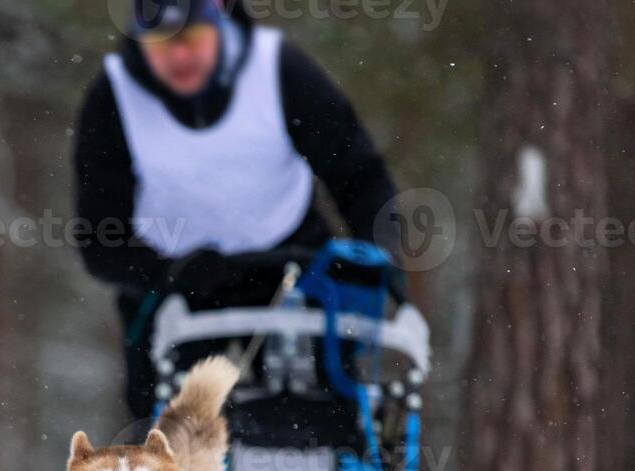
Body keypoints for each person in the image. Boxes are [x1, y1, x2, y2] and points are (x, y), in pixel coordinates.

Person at [74, 0, 401, 419]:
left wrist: (378, 257)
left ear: (220, 27)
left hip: (288, 264)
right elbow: (99, 242)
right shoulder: (113, 97)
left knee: (326, 413)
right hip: (175, 281)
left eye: (191, 38)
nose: (178, 56)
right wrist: (167, 271)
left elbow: (361, 176)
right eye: (160, 43)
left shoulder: (279, 69)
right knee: (163, 431)